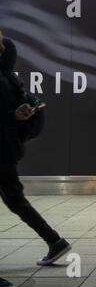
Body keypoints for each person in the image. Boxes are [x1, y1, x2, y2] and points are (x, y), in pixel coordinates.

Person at [0, 31, 71, 266]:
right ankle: (54, 241)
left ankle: (54, 241)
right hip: (8, 150)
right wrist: (14, 115)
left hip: (2, 150)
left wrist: (11, 116)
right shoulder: (9, 77)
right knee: (15, 200)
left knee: (15, 200)